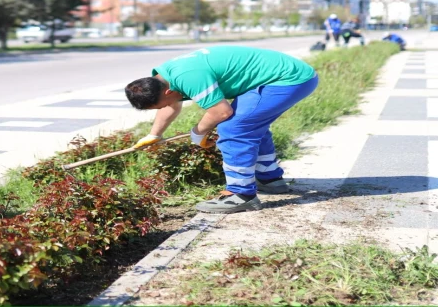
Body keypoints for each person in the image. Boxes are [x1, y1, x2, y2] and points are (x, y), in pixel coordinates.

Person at [124, 46, 318, 214]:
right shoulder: (162, 78)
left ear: (168, 93)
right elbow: (170, 105)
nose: (161, 109)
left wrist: (197, 133)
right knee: (250, 123)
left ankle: (241, 194)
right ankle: (270, 179)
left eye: (158, 106)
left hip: (289, 79)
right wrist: (154, 135)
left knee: (234, 128)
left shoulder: (189, 77)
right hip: (283, 75)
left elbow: (221, 112)